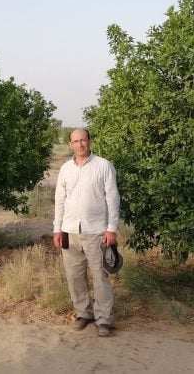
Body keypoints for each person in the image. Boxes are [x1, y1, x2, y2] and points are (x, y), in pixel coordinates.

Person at [53, 128, 121, 337]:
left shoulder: (103, 165)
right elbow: (60, 200)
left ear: (89, 141)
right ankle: (84, 313)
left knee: (99, 277)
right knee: (75, 277)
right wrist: (57, 228)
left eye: (83, 140)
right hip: (70, 231)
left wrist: (111, 228)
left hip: (96, 232)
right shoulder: (65, 169)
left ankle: (103, 319)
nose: (80, 144)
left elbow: (112, 198)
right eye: (76, 141)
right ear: (70, 144)